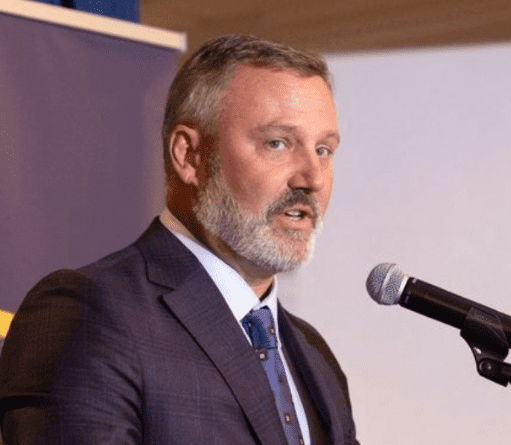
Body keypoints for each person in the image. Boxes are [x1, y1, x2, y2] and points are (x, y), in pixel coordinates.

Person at [0, 34, 359, 445]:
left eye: (324, 150)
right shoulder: (88, 314)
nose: (312, 179)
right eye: (277, 143)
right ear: (189, 156)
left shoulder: (314, 355)